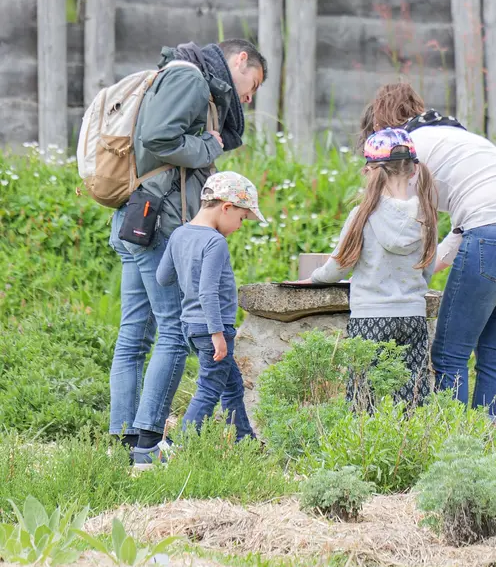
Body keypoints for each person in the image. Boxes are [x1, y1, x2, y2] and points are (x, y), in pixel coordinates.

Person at [108, 40, 267, 463]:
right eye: (253, 84)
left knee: (134, 334)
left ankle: (124, 442)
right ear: (240, 61)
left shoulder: (177, 76)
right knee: (173, 332)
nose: (248, 97)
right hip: (157, 218)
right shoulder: (190, 77)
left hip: (135, 216)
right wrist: (209, 147)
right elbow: (159, 138)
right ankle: (147, 447)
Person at [362, 82, 496, 424]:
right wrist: (433, 264)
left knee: (450, 355)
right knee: (494, 353)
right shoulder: (459, 137)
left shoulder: (408, 148)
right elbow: (464, 226)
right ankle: (489, 449)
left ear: (381, 126)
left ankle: (453, 447)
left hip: (493, 235)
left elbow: (403, 222)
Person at [301, 128, 438, 407]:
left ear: (371, 171)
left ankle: (364, 449)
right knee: (412, 395)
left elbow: (340, 265)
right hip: (412, 317)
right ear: (412, 171)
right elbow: (427, 270)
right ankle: (410, 446)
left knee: (363, 395)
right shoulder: (426, 216)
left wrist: (313, 278)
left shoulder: (363, 214)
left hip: (370, 319)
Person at [148, 171, 267, 466]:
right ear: (226, 207)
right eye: (241, 218)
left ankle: (245, 443)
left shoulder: (179, 234)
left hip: (191, 325)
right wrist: (217, 333)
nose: (239, 226)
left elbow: (163, 278)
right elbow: (208, 292)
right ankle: (173, 448)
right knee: (209, 388)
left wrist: (185, 265)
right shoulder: (214, 243)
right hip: (215, 328)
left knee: (232, 385)